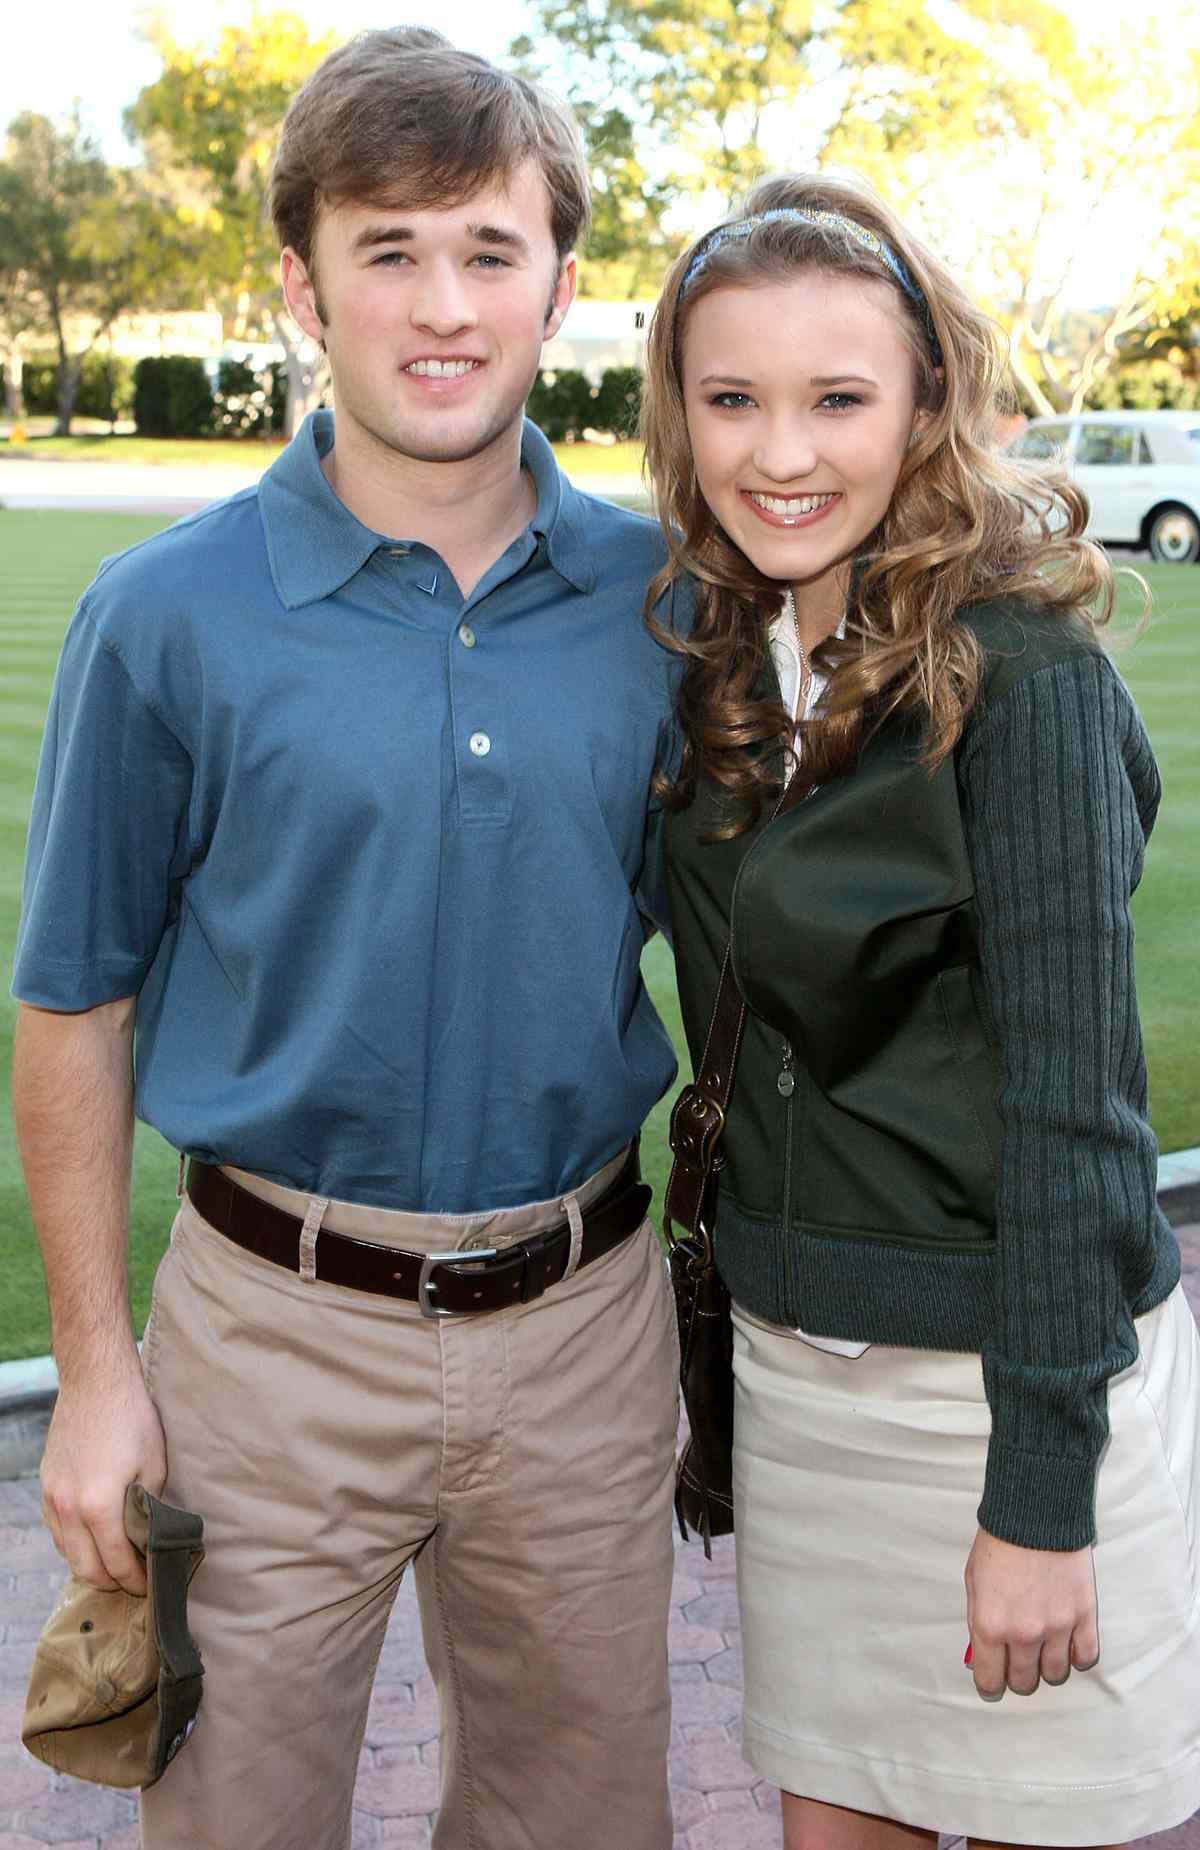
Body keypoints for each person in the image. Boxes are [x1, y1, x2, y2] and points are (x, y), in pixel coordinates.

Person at [12, 29, 683, 1849]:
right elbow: (73, 1005)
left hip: (586, 1326)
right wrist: (95, 1373)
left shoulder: (667, 605)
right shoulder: (166, 616)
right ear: (302, 285)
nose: (443, 306)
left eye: (488, 248)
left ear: (565, 278)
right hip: (265, 1337)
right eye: (388, 252)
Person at [641, 170, 1200, 1850]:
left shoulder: (1020, 679)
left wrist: (1039, 1493)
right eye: (732, 398)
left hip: (1015, 1388)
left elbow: (1077, 1116)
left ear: (928, 404)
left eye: (838, 399)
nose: (781, 452)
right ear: (678, 412)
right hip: (803, 1396)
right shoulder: (725, 658)